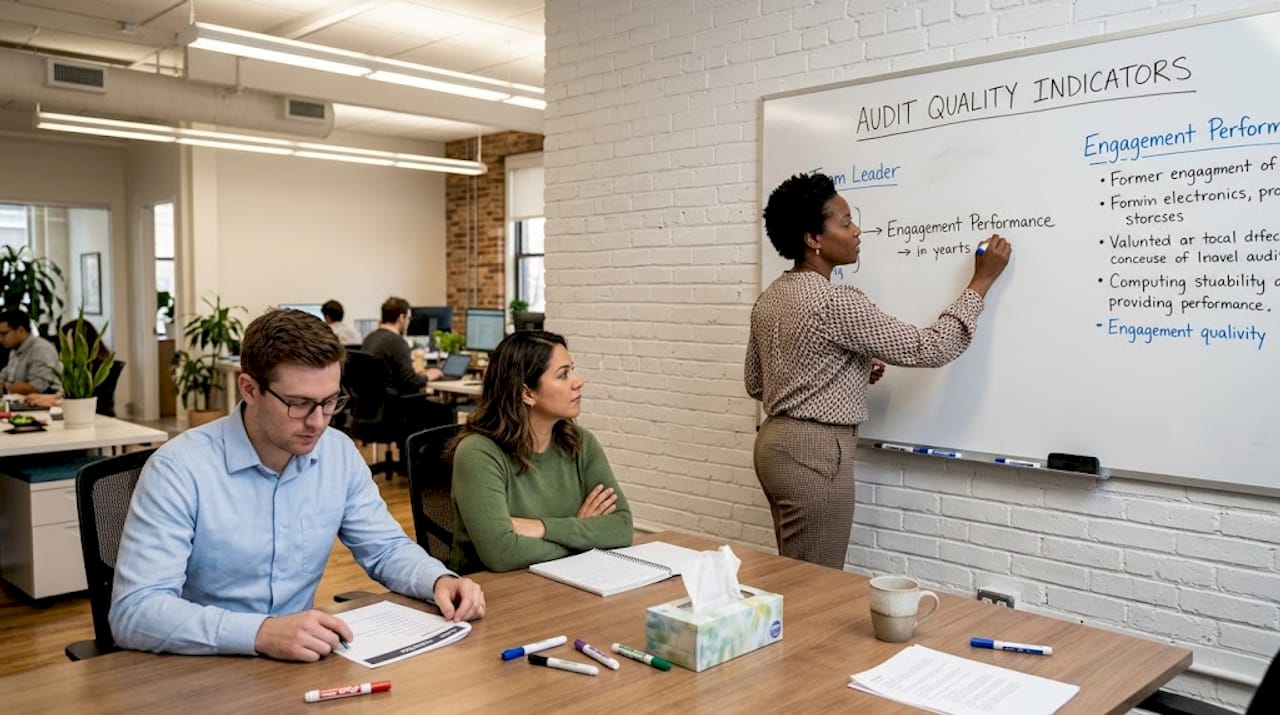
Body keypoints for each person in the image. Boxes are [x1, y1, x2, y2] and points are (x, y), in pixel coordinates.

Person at [110, 309, 484, 659]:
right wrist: (260, 633)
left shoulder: (337, 454)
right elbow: (135, 611)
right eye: (299, 403)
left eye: (330, 402)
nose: (319, 422)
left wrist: (437, 579)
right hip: (200, 668)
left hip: (298, 663)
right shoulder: (180, 469)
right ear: (249, 389)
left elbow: (385, 548)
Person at [746, 173, 1011, 569]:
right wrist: (981, 281)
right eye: (845, 222)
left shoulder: (771, 297)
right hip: (816, 454)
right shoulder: (835, 301)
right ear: (812, 239)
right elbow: (931, 347)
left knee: (795, 573)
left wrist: (846, 369)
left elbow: (756, 383)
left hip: (774, 448)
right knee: (817, 583)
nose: (857, 231)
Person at [448, 330, 632, 573]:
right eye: (563, 374)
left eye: (572, 370)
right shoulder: (478, 453)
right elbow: (502, 553)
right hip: (492, 596)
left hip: (565, 585)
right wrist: (582, 534)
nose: (578, 381)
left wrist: (542, 528)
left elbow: (622, 527)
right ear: (527, 393)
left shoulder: (581, 443)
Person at [23, 318, 124, 416]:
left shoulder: (95, 368)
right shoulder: (76, 367)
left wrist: (52, 403)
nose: (63, 347)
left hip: (96, 418)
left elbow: (88, 402)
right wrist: (47, 398)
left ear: (80, 342)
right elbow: (72, 396)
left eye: (65, 341)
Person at [360, 296, 442, 396]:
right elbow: (410, 383)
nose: (409, 322)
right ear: (401, 318)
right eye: (408, 318)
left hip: (371, 404)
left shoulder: (370, 338)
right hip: (394, 405)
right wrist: (428, 375)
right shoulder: (397, 342)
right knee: (444, 409)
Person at [0, 309, 60, 395]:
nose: (1, 339)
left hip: (42, 405)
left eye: (4, 334)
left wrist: (5, 388)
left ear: (21, 330)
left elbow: (39, 386)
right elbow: (4, 377)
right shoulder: (15, 350)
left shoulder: (41, 349)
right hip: (20, 403)